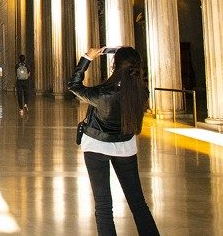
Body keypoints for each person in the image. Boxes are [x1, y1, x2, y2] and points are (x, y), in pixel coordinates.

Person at [68, 46, 159, 236]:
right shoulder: (142, 93)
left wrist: (86, 59)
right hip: (125, 147)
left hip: (96, 146)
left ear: (113, 65)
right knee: (138, 202)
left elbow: (74, 85)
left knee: (103, 206)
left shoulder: (102, 93)